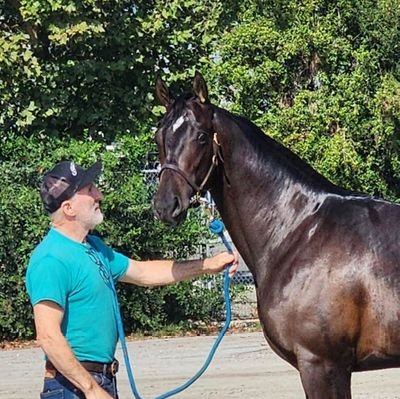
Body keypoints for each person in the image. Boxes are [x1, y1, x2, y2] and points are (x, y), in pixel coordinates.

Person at [25, 160, 238, 399]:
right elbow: (48, 336)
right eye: (89, 190)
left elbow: (144, 273)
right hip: (71, 387)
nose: (99, 194)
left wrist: (208, 265)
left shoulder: (94, 248)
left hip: (96, 381)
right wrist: (92, 391)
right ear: (68, 208)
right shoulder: (51, 259)